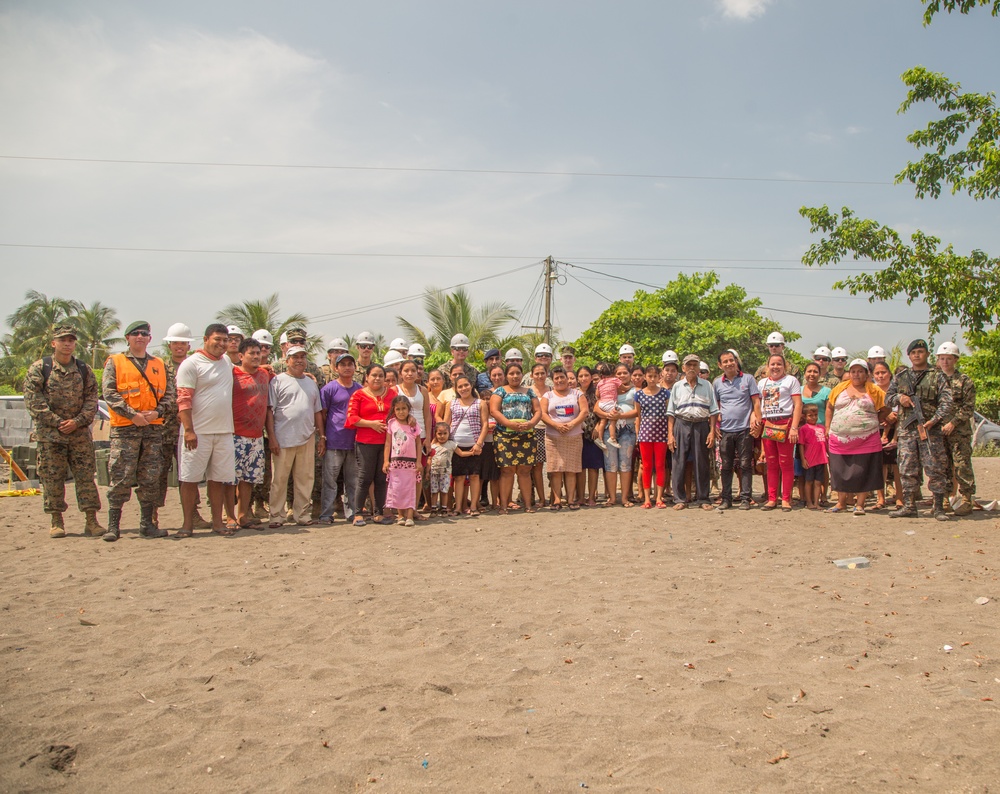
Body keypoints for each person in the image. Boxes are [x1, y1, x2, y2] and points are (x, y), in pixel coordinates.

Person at [23, 325, 103, 538]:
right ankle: (56, 521)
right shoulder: (40, 368)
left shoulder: (84, 369)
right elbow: (34, 402)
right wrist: (59, 422)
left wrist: (77, 422)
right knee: (52, 478)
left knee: (86, 477)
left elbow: (92, 400)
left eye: (71, 340)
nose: (67, 343)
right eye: (62, 340)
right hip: (50, 436)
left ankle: (91, 520)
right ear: (53, 343)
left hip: (79, 435)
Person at [102, 320, 174, 541]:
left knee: (150, 478)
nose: (140, 337)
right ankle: (113, 527)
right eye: (135, 334)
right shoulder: (115, 361)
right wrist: (132, 415)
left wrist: (157, 412)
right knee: (121, 476)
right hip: (125, 429)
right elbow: (109, 392)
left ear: (150, 339)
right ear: (127, 338)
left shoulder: (160, 364)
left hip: (152, 430)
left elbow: (170, 394)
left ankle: (147, 525)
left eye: (144, 334)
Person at [176, 324, 237, 537]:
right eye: (217, 339)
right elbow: (183, 399)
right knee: (190, 478)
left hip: (223, 432)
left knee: (218, 479)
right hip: (197, 432)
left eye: (225, 340)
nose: (221, 344)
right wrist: (189, 430)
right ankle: (186, 525)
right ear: (205, 339)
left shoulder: (227, 362)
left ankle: (218, 523)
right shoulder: (191, 364)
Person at [886, 339, 954, 520]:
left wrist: (934, 420)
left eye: (920, 352)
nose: (917, 355)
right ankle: (909, 505)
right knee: (907, 467)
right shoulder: (901, 377)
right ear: (909, 356)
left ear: (927, 354)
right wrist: (900, 398)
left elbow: (947, 402)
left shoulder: (937, 376)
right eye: (914, 353)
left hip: (930, 430)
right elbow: (888, 398)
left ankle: (938, 507)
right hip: (907, 431)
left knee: (935, 468)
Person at [266, 345, 324, 528]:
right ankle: (276, 515)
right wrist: (272, 438)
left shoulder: (311, 382)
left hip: (306, 438)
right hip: (283, 439)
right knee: (279, 480)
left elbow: (317, 412)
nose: (299, 360)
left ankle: (302, 514)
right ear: (287, 360)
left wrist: (321, 436)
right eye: (295, 357)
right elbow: (269, 411)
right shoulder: (277, 381)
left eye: (302, 356)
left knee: (305, 479)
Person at [825, 360, 888, 515]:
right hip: (839, 439)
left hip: (867, 438)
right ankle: (841, 502)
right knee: (839, 471)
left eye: (860, 371)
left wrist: (877, 419)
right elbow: (829, 406)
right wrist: (827, 427)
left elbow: (887, 407)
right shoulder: (839, 388)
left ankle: (860, 504)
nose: (856, 374)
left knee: (863, 471)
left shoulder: (874, 390)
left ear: (867, 374)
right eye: (853, 371)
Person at [155, 322, 198, 529]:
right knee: (157, 474)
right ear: (169, 345)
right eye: (175, 343)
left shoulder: (194, 366)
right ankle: (152, 514)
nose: (179, 346)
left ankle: (193, 514)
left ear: (188, 345)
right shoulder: (159, 368)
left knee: (188, 474)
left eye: (183, 343)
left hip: (188, 428)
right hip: (164, 428)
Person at [667, 354, 720, 510]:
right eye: (688, 365)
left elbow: (714, 411)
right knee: (678, 462)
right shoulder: (677, 386)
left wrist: (711, 431)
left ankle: (703, 498)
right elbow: (671, 412)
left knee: (702, 462)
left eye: (694, 365)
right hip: (681, 424)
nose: (691, 368)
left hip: (701, 425)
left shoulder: (707, 385)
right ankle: (679, 499)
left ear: (699, 368)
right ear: (683, 368)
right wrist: (670, 434)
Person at [347, 365, 396, 525]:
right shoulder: (358, 395)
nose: (377, 378)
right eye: (374, 375)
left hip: (386, 443)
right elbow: (352, 418)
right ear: (367, 377)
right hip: (365, 442)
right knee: (364, 477)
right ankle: (357, 513)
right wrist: (371, 424)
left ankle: (379, 513)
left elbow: (399, 413)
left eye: (380, 375)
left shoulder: (392, 394)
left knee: (382, 478)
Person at [230, 337, 271, 529]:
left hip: (256, 436)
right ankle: (229, 516)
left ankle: (243, 516)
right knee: (230, 479)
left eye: (258, 352)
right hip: (235, 434)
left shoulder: (264, 374)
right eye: (251, 353)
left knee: (248, 479)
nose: (256, 356)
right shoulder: (231, 374)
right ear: (240, 356)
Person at [713, 349, 762, 510]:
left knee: (745, 464)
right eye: (725, 361)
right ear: (720, 365)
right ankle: (726, 498)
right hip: (725, 430)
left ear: (736, 361)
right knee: (726, 465)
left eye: (731, 360)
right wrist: (714, 426)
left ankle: (745, 499)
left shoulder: (748, 379)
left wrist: (757, 420)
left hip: (745, 429)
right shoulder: (717, 383)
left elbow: (755, 402)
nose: (729, 363)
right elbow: (715, 407)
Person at [490, 363, 541, 514]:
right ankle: (504, 506)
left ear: (522, 374)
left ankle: (528, 505)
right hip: (505, 436)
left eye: (518, 373)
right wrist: (508, 424)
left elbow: (537, 411)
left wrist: (531, 422)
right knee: (507, 471)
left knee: (525, 471)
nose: (515, 376)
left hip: (527, 435)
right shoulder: (500, 391)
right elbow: (494, 410)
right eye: (511, 373)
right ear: (506, 376)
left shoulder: (529, 392)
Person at [318, 352, 362, 525]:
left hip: (354, 442)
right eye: (342, 364)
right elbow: (322, 415)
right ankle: (326, 514)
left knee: (353, 481)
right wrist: (322, 436)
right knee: (330, 481)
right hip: (334, 441)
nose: (347, 367)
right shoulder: (329, 389)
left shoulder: (359, 389)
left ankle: (351, 512)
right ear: (336, 368)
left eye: (350, 364)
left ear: (354, 367)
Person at [756, 353, 802, 511]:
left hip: (785, 424)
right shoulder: (762, 383)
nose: (775, 367)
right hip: (768, 424)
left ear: (785, 366)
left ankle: (786, 499)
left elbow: (798, 405)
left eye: (779, 364)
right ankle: (771, 498)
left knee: (786, 463)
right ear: (767, 366)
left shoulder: (791, 381)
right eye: (772, 364)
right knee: (771, 463)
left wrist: (794, 428)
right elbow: (757, 405)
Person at [935, 341, 976, 516]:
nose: (945, 362)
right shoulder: (934, 380)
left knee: (961, 465)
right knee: (942, 466)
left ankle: (967, 498)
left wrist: (953, 423)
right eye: (942, 359)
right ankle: (944, 498)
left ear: (955, 360)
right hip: (939, 430)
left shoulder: (965, 381)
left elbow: (968, 407)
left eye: (948, 359)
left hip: (959, 432)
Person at [540, 364, 588, 510]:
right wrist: (556, 425)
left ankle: (571, 499)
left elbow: (584, 411)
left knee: (571, 469)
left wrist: (573, 424)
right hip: (553, 437)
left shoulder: (577, 394)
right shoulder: (547, 395)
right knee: (555, 470)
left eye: (562, 377)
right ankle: (556, 500)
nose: (560, 380)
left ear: (567, 379)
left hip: (574, 436)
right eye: (556, 378)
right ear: (552, 380)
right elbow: (542, 414)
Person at [440, 374, 488, 515]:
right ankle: (458, 507)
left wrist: (479, 444)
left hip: (474, 445)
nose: (463, 388)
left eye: (466, 385)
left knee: (474, 476)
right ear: (456, 389)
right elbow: (446, 424)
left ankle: (473, 506)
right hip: (455, 445)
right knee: (459, 477)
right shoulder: (452, 403)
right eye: (460, 386)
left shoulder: (480, 403)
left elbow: (484, 424)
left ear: (471, 385)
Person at [596, 363, 638, 507]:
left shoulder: (634, 391)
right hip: (609, 429)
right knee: (610, 465)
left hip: (628, 429)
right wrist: (609, 415)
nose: (622, 376)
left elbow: (637, 411)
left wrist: (620, 415)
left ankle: (625, 498)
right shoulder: (609, 389)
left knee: (625, 464)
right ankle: (612, 498)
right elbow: (597, 407)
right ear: (614, 375)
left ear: (629, 374)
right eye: (618, 373)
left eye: (625, 373)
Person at [635, 363, 670, 508]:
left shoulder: (665, 393)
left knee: (660, 465)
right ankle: (647, 499)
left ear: (659, 377)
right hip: (645, 435)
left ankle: (659, 497)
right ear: (645, 377)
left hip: (661, 434)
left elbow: (669, 414)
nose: (652, 379)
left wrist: (670, 434)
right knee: (647, 466)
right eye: (649, 376)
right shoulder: (639, 395)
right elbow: (639, 416)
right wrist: (638, 434)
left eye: (655, 376)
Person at [383, 395, 422, 526]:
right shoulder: (391, 423)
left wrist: (418, 461)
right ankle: (400, 515)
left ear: (409, 409)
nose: (401, 412)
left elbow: (418, 444)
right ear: (394, 409)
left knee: (410, 488)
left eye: (404, 408)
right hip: (395, 462)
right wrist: (385, 461)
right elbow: (388, 443)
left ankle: (410, 515)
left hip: (410, 462)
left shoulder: (413, 424)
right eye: (398, 409)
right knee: (398, 488)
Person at [872, 361, 900, 509]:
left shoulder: (897, 389)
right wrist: (882, 417)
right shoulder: (871, 390)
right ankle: (880, 498)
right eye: (877, 373)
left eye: (883, 372)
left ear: (889, 373)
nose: (880, 376)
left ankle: (900, 498)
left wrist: (893, 417)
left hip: (897, 430)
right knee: (879, 466)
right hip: (876, 430)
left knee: (897, 465)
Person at [575, 366, 604, 507]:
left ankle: (592, 497)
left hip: (594, 433)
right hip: (578, 434)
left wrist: (599, 427)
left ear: (591, 377)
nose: (584, 378)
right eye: (580, 376)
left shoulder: (597, 392)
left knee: (593, 467)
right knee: (580, 467)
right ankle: (581, 497)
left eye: (586, 375)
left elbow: (604, 411)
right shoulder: (574, 393)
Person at [798, 404, 829, 510]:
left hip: (821, 459)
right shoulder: (803, 429)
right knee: (809, 481)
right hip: (809, 460)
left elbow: (826, 443)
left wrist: (828, 455)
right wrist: (803, 459)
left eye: (815, 415)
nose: (814, 417)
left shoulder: (822, 428)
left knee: (818, 482)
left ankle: (816, 502)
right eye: (810, 415)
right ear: (805, 417)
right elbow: (801, 445)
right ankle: (809, 502)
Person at [528, 363, 550, 506]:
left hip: (551, 430)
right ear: (531, 376)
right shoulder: (527, 391)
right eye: (537, 374)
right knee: (537, 466)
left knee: (554, 466)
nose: (540, 376)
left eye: (542, 373)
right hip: (533, 430)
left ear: (546, 374)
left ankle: (555, 496)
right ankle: (541, 498)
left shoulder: (553, 390)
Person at [592, 362, 623, 451]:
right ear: (613, 372)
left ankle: (600, 439)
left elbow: (597, 394)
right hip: (610, 403)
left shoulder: (600, 382)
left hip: (602, 403)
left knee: (603, 421)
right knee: (613, 419)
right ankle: (612, 438)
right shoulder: (615, 380)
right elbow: (622, 388)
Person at [428, 422, 458, 514]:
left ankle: (444, 508)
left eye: (445, 433)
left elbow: (461, 453)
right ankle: (433, 508)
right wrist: (427, 472)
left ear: (449, 433)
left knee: (444, 491)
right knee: (434, 490)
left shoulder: (451, 444)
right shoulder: (432, 446)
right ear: (435, 434)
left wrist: (472, 452)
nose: (442, 436)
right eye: (439, 434)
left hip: (446, 472)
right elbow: (429, 459)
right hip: (434, 472)